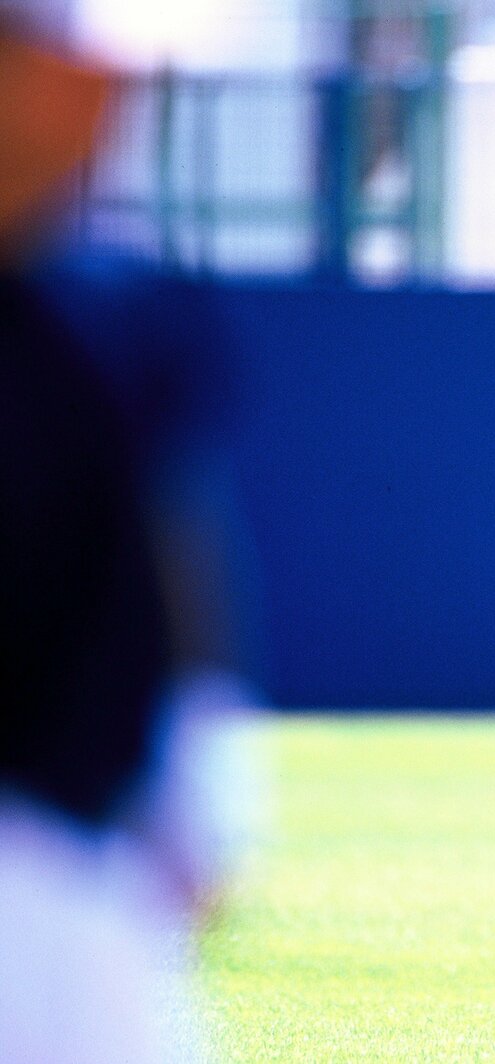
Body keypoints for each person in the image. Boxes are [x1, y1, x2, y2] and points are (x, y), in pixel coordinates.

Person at [0, 19, 263, 1062]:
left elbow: (166, 540)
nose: (105, 100)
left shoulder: (114, 316)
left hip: (64, 862)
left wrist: (198, 756)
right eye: (65, 69)